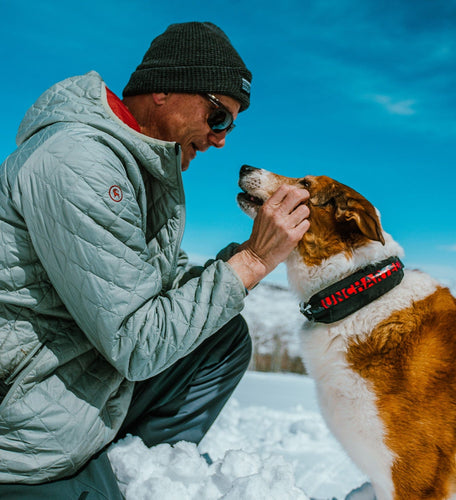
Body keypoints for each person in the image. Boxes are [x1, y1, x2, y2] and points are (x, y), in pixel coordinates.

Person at [0, 21, 310, 499]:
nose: (221, 138)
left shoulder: (139, 170)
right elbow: (137, 341)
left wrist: (243, 262)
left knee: (222, 338)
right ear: (163, 89)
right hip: (24, 428)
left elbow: (159, 282)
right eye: (217, 116)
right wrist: (251, 261)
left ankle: (139, 468)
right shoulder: (79, 162)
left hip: (82, 375)